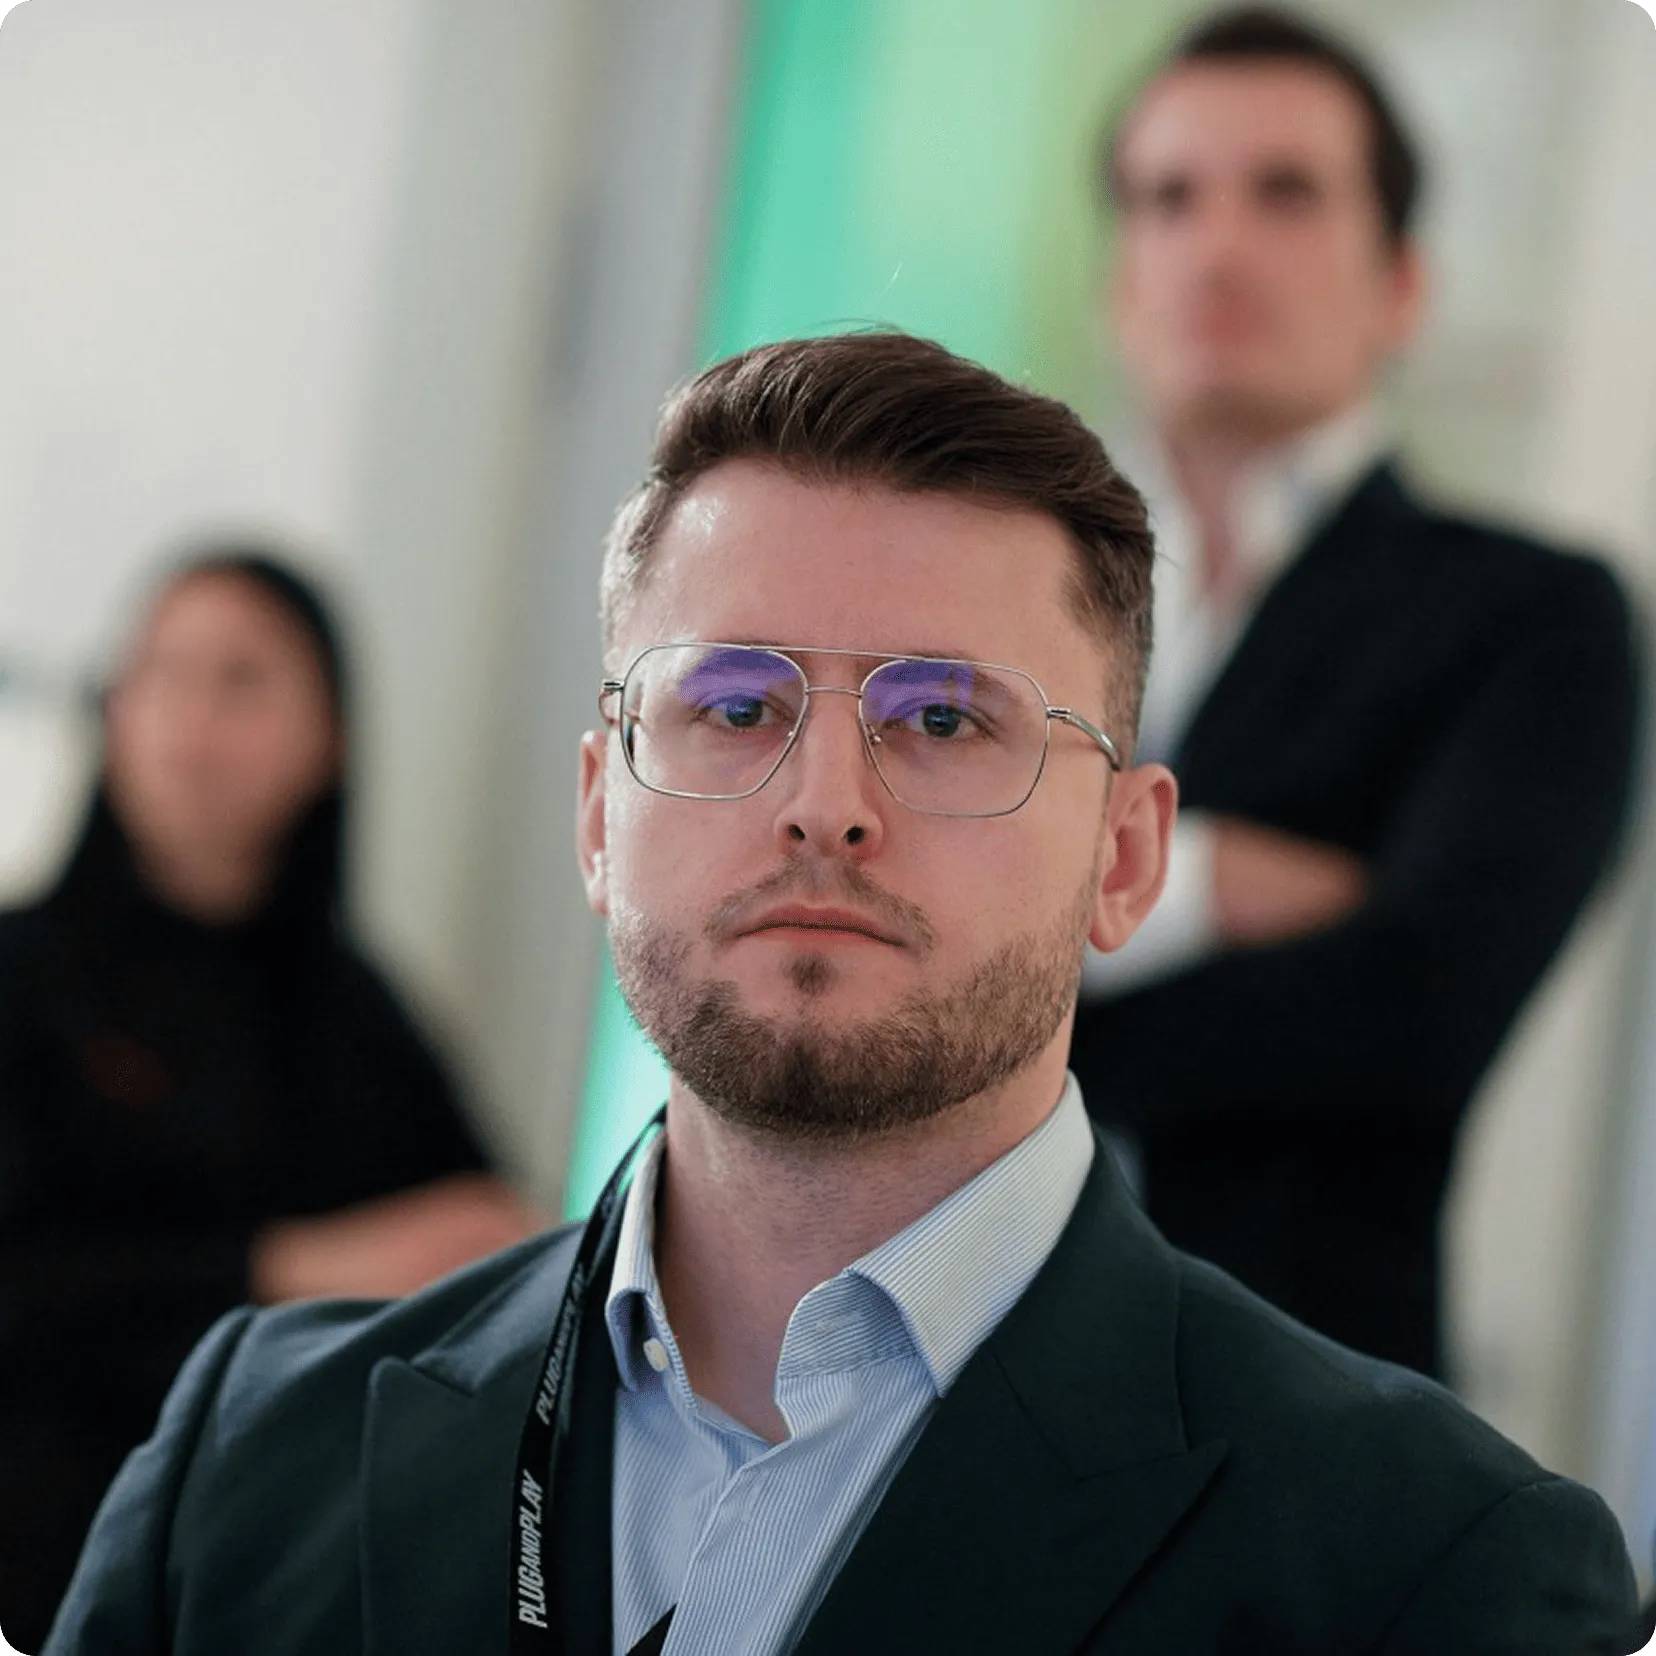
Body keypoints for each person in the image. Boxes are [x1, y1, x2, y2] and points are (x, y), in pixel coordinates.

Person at [44, 337, 1640, 1655]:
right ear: (600, 816)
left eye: (943, 722)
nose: (823, 805)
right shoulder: (248, 1464)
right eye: (735, 705)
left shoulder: (1442, 1579)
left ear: (1126, 858)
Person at [1070, 6, 1641, 1377]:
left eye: (1286, 193)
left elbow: (1415, 1017)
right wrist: (1203, 885)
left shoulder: (1533, 616)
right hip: (931, 1376)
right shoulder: (993, 598)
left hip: (1300, 1394)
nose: (1218, 246)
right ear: (1119, 280)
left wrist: (1003, 989)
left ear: (1402, 283)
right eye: (1169, 198)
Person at [0, 549, 540, 1651]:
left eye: (241, 680)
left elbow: (494, 1251)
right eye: (158, 672)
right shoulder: (20, 978)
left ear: (329, 738)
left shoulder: (362, 1018)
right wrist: (295, 1269)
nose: (189, 720)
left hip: (270, 1588)